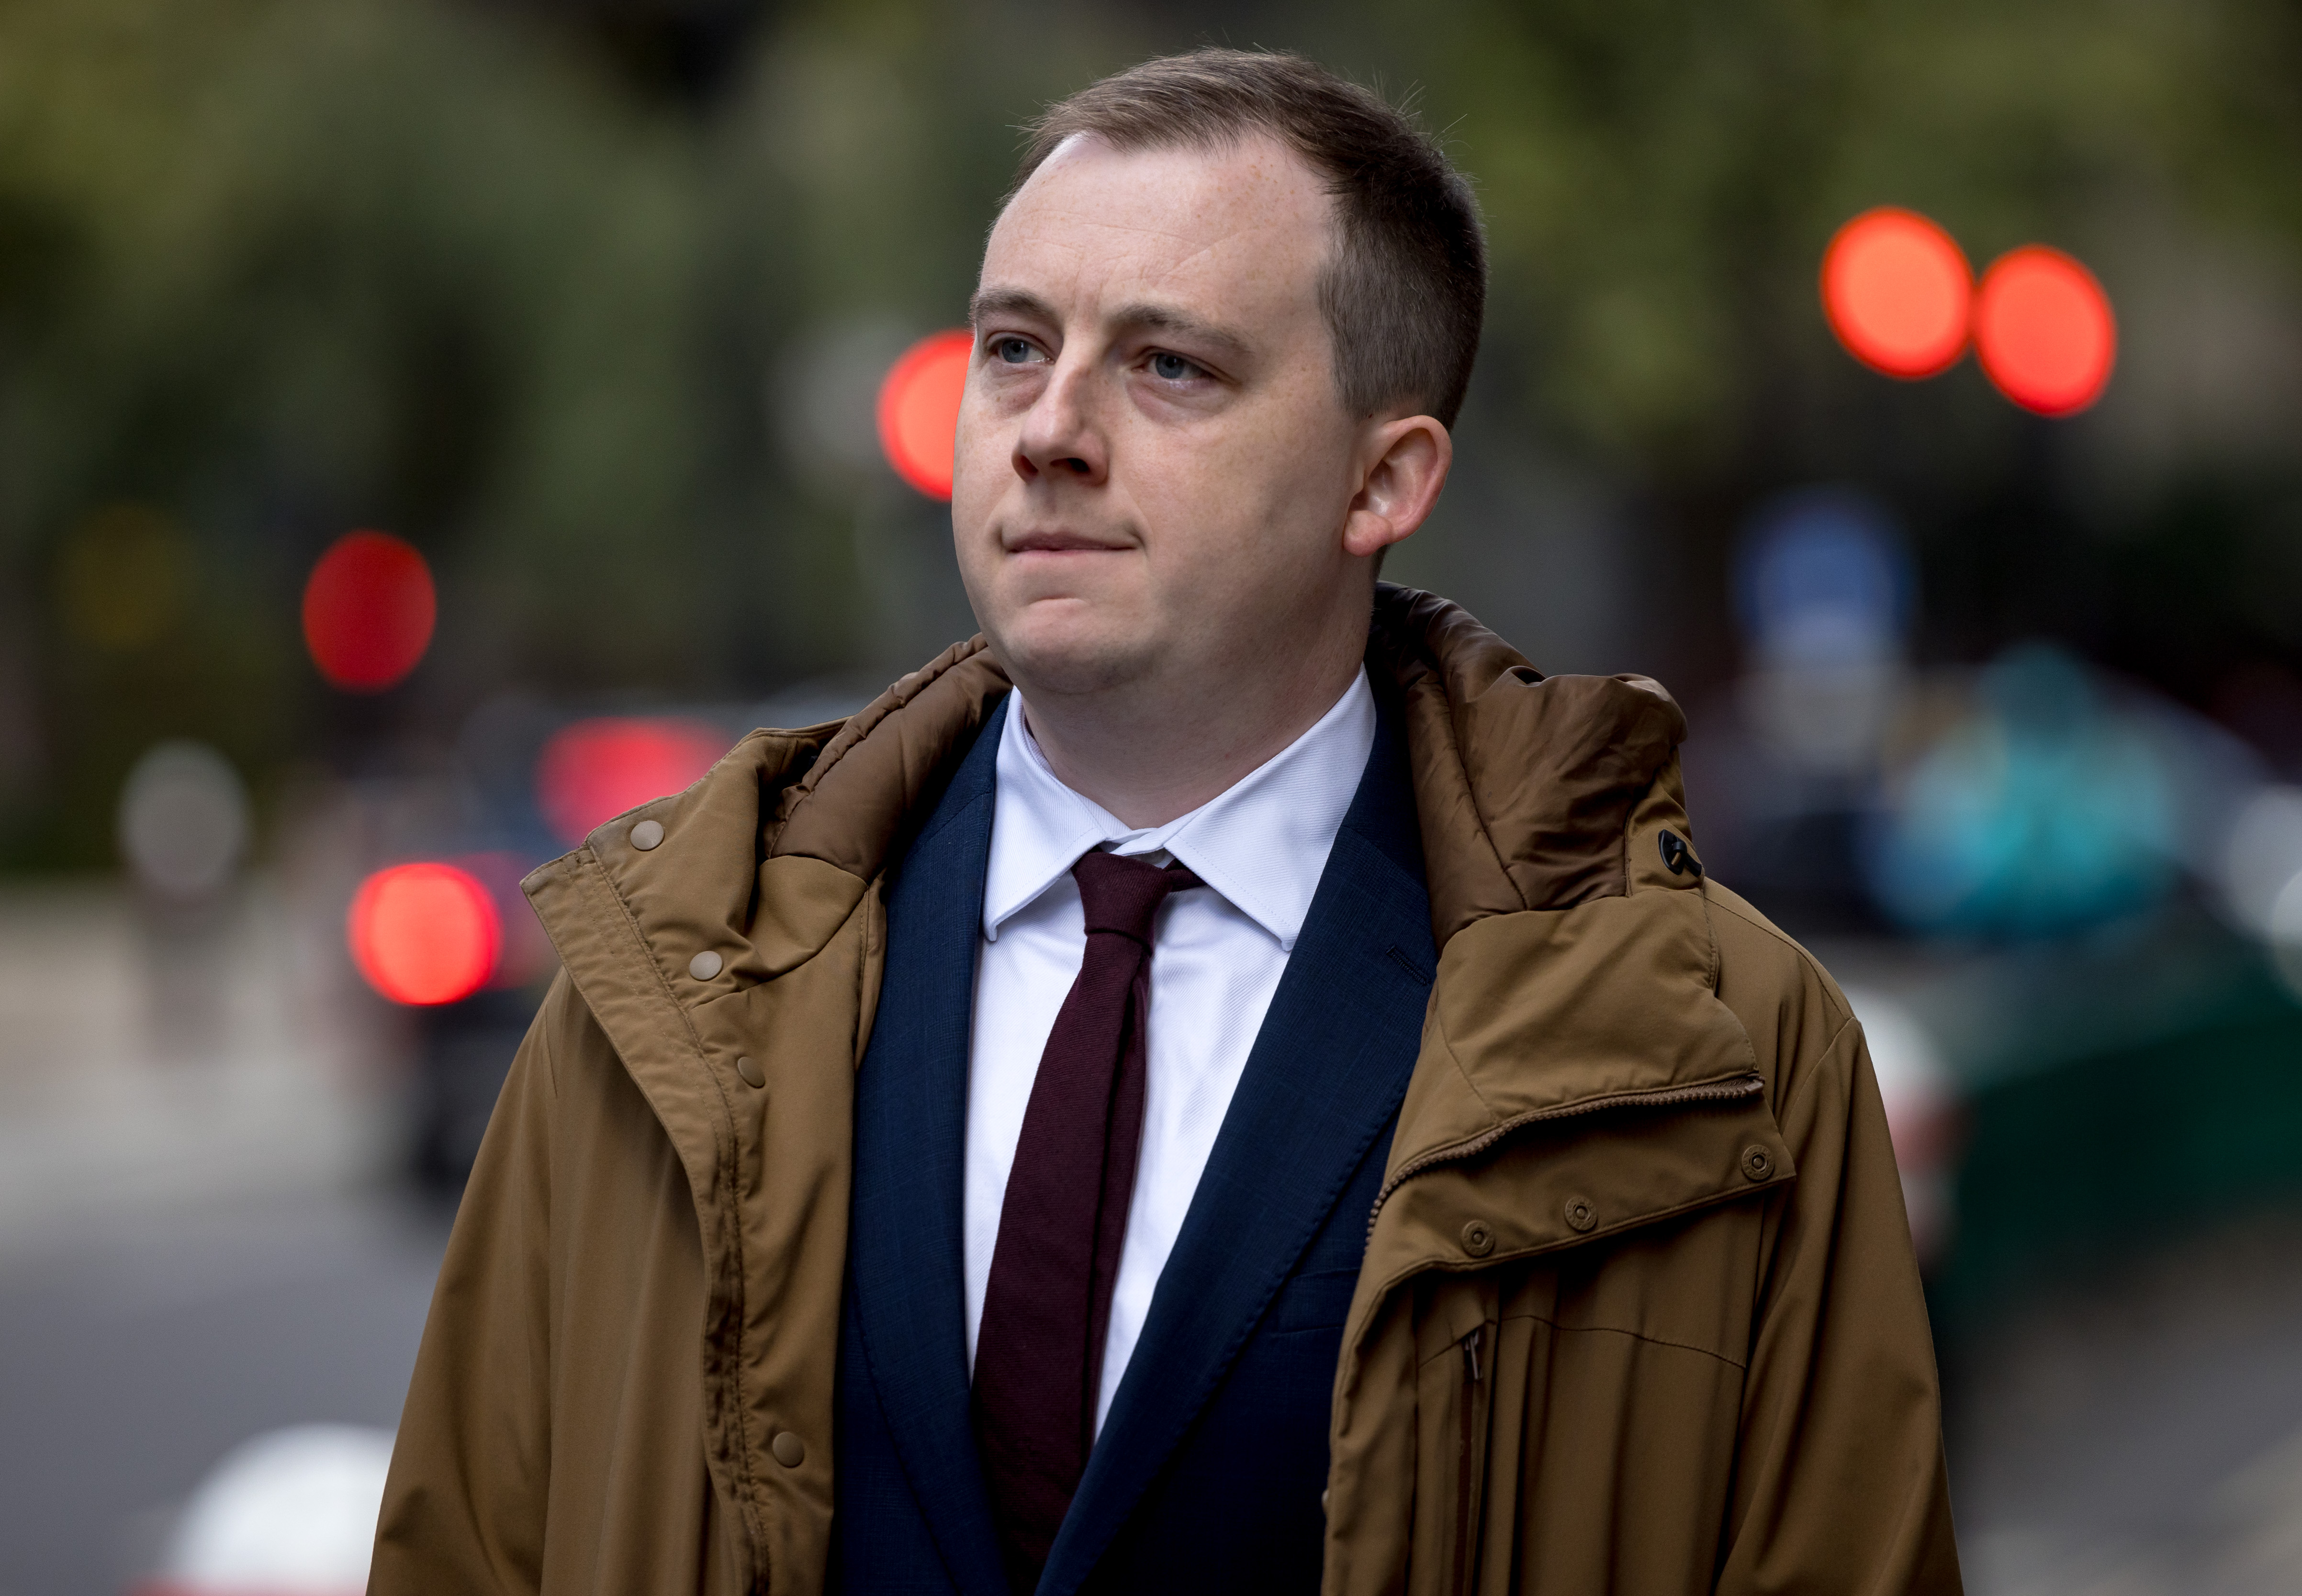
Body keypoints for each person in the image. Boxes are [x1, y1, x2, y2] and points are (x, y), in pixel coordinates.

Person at [370, 48, 1963, 1596]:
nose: (1047, 429)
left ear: (1383, 481)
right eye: (1012, 347)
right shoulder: (661, 1000)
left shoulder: (1726, 1058)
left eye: (1167, 365)